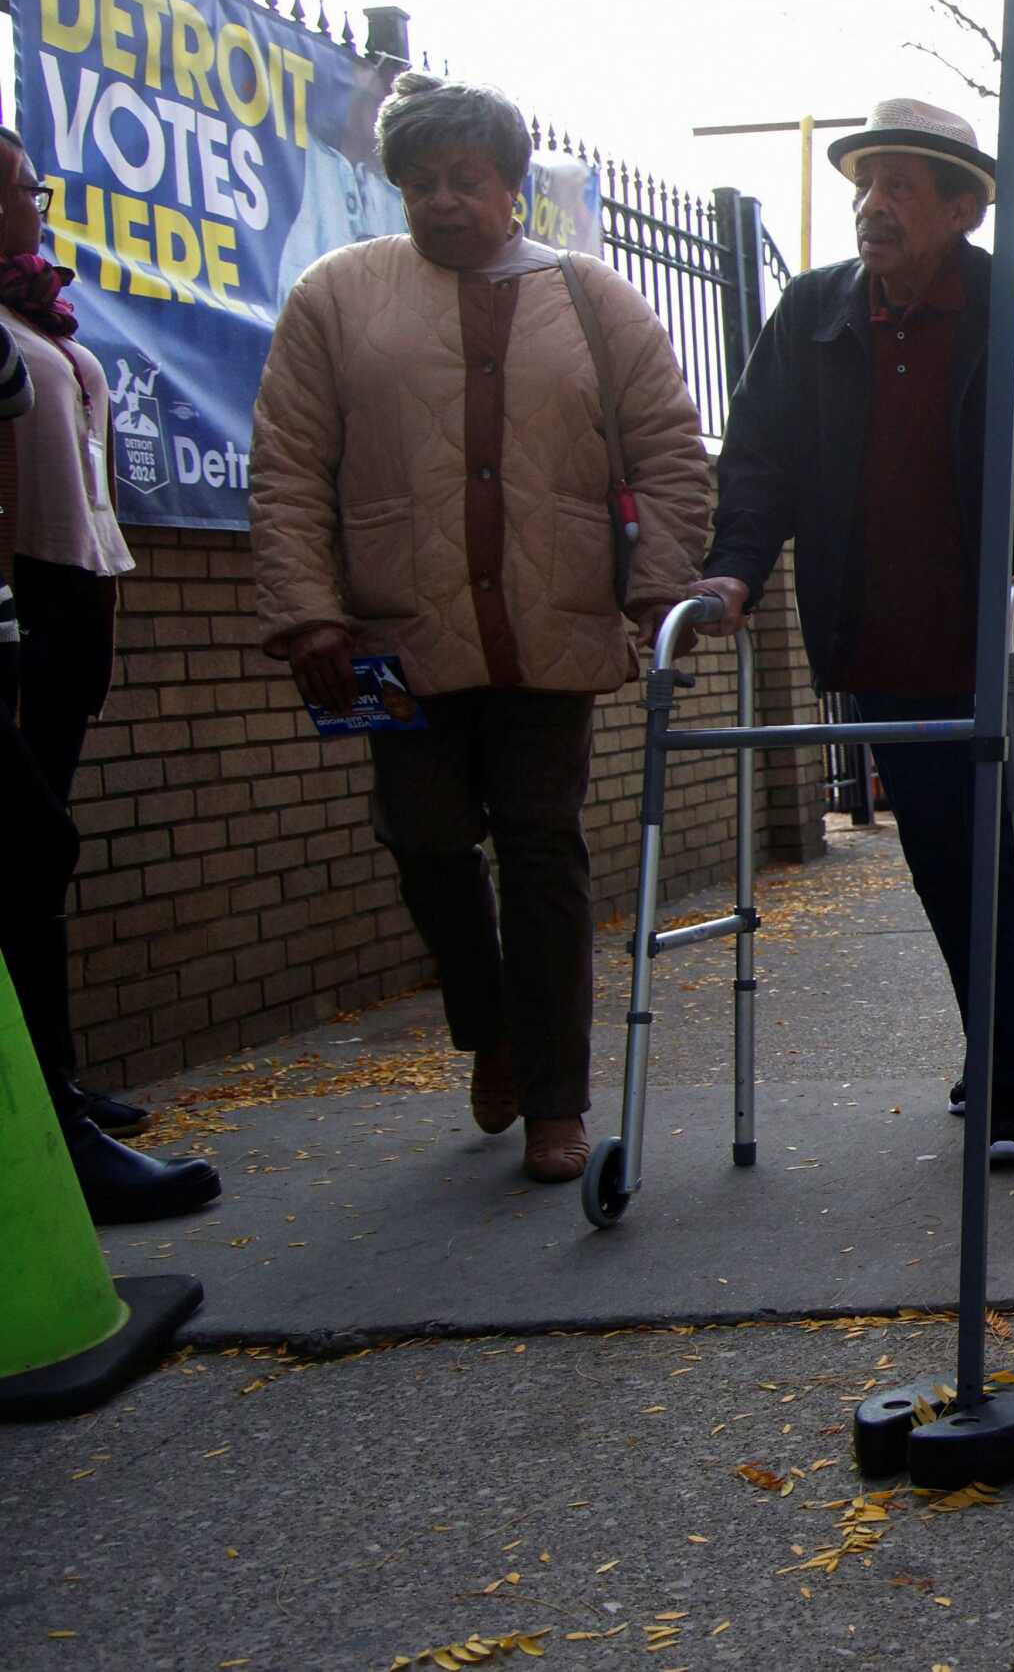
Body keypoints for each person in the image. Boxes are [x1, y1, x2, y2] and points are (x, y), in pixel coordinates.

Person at [250, 73, 713, 1184]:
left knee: (543, 847)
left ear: (510, 185)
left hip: (550, 632)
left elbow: (668, 450)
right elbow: (287, 466)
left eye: (465, 179)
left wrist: (659, 586)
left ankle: (556, 1098)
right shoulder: (339, 296)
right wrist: (308, 609)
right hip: (398, 633)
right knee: (422, 838)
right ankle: (492, 1029)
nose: (442, 200)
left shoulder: (596, 301)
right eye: (418, 182)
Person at [687, 97, 1014, 1163]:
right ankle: (1003, 1048)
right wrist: (732, 572)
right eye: (864, 182)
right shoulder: (811, 315)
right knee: (940, 859)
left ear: (964, 206)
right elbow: (760, 461)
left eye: (898, 184)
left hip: (999, 642)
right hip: (879, 637)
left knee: (1002, 847)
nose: (870, 205)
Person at [0, 132, 219, 1220]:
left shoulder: (41, 315)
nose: (32, 209)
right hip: (20, 595)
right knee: (30, 845)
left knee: (36, 849)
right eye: (16, 193)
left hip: (73, 590)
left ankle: (55, 1084)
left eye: (32, 191)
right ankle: (50, 1123)